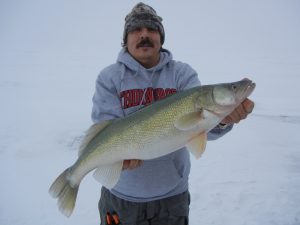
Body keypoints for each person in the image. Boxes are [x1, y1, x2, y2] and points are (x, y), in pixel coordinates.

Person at [91, 2, 254, 225]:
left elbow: (207, 130)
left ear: (161, 37)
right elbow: (105, 127)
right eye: (136, 30)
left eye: (151, 29)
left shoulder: (182, 74)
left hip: (172, 198)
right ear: (126, 38)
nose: (144, 34)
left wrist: (223, 121)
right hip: (122, 198)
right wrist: (117, 159)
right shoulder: (109, 77)